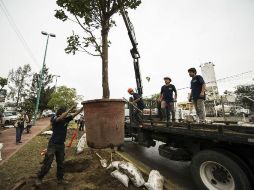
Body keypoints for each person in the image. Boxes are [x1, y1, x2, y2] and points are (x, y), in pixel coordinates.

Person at [35, 105, 83, 186]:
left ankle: (60, 179)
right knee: (48, 163)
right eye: (65, 112)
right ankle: (39, 178)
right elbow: (60, 118)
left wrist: (83, 107)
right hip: (52, 144)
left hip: (61, 145)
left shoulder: (66, 119)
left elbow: (75, 114)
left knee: (60, 163)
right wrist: (70, 109)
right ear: (61, 113)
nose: (66, 114)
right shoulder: (54, 118)